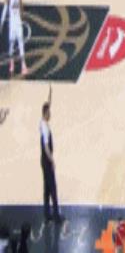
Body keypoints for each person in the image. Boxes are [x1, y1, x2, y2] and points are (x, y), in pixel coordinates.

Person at [40, 85, 63, 223]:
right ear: (45, 113)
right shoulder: (44, 128)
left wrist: (50, 93)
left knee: (47, 188)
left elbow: (48, 104)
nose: (51, 114)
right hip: (46, 160)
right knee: (52, 188)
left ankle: (46, 214)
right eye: (49, 112)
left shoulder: (42, 120)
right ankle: (56, 216)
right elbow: (46, 147)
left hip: (44, 160)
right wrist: (52, 161)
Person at [0, 0, 28, 76]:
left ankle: (23, 65)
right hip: (12, 24)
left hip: (18, 22)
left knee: (21, 42)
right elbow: (5, 9)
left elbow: (21, 5)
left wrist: (22, 14)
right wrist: (1, 22)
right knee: (11, 45)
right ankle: (11, 62)